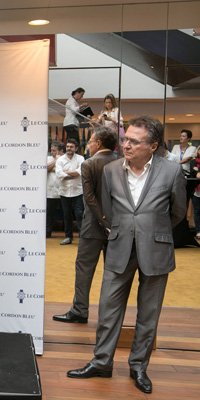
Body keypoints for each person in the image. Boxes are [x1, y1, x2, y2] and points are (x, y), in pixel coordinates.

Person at [67, 115, 187, 394]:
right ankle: (101, 361)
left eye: (134, 141)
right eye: (125, 139)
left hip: (156, 250)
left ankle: (138, 366)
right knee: (108, 308)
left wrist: (154, 230)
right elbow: (109, 209)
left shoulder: (171, 172)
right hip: (119, 247)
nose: (126, 145)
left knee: (148, 314)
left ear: (153, 145)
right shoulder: (110, 170)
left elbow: (178, 212)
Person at [53, 126, 117, 324]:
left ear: (98, 143)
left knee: (84, 269)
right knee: (113, 273)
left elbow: (88, 198)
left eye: (90, 141)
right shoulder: (121, 162)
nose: (88, 145)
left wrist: (103, 222)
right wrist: (111, 223)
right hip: (117, 226)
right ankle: (109, 315)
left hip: (93, 227)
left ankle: (80, 310)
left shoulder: (89, 163)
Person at [55, 138, 85, 245]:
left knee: (79, 214)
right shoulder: (60, 160)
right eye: (67, 146)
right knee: (66, 215)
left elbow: (80, 172)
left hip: (78, 191)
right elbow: (59, 174)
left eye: (71, 147)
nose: (69, 148)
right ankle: (68, 237)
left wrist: (66, 173)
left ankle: (83, 237)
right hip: (64, 192)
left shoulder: (81, 159)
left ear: (76, 148)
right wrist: (72, 174)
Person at [47, 141, 65, 238]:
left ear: (60, 151)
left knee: (66, 213)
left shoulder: (66, 159)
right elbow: (46, 169)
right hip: (50, 192)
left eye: (54, 150)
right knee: (49, 213)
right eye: (51, 150)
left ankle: (68, 234)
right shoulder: (47, 158)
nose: (52, 152)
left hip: (64, 191)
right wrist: (55, 161)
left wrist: (54, 169)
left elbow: (64, 171)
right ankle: (48, 232)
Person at [192, 147, 200, 240]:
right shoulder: (193, 162)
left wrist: (197, 171)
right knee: (197, 212)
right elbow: (194, 174)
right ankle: (198, 231)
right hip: (196, 192)